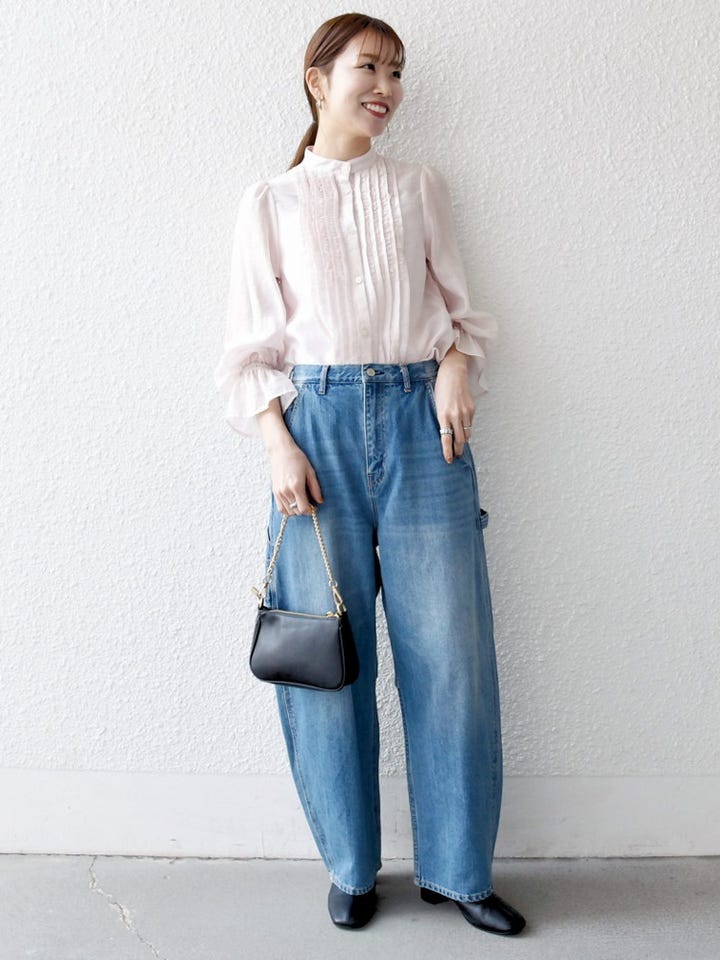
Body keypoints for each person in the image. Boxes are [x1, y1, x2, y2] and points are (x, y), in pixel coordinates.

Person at [214, 12, 526, 936]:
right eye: (369, 67)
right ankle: (351, 866)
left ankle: (459, 873)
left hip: (427, 427)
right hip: (313, 431)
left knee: (451, 657)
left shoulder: (421, 187)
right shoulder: (269, 202)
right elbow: (248, 346)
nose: (386, 87)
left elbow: (461, 312)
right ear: (319, 79)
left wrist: (457, 365)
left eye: (397, 71)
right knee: (326, 658)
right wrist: (278, 443)